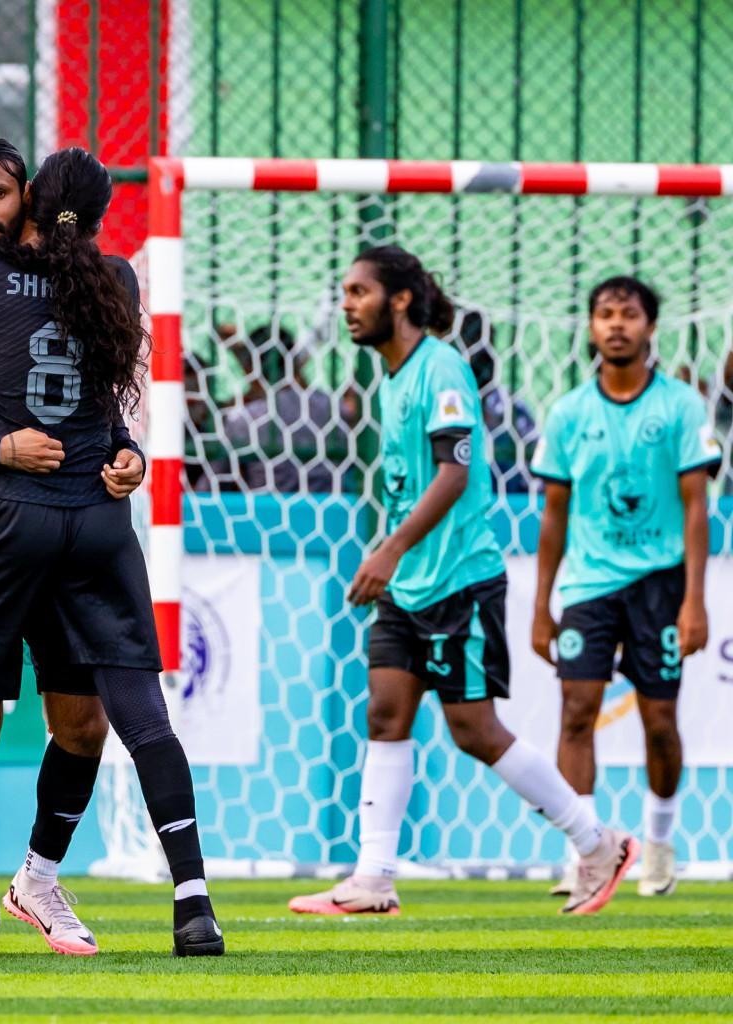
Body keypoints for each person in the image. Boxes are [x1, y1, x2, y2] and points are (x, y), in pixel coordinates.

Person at [0, 146, 224, 958]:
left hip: (44, 518)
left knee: (82, 719)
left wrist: (125, 447)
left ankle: (31, 880)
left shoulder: (0, 275)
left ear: (27, 198)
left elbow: (97, 406)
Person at [287, 246, 637, 918]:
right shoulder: (390, 381)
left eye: (359, 291)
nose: (347, 305)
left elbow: (455, 473)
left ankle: (599, 843)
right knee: (385, 714)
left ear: (398, 300)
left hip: (459, 582)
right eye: (344, 292)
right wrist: (395, 560)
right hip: (408, 584)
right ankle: (372, 878)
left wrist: (388, 550)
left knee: (474, 729)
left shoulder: (440, 367)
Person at [530, 276, 719, 900]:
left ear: (649, 328)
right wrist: (541, 605)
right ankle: (585, 850)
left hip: (659, 584)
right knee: (576, 713)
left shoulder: (681, 407)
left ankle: (659, 843)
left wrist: (696, 598)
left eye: (629, 315)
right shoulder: (568, 413)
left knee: (658, 719)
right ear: (590, 328)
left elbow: (697, 507)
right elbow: (553, 513)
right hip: (588, 585)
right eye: (605, 314)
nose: (617, 324)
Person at [216, 323, 352, 493]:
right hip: (335, 511)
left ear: (251, 368)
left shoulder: (245, 419)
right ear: (294, 359)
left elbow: (215, 482)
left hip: (264, 514)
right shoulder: (335, 408)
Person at [453, 309, 539, 494]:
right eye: (468, 341)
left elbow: (537, 468)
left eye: (485, 342)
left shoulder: (512, 407)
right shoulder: (443, 399)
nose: (478, 353)